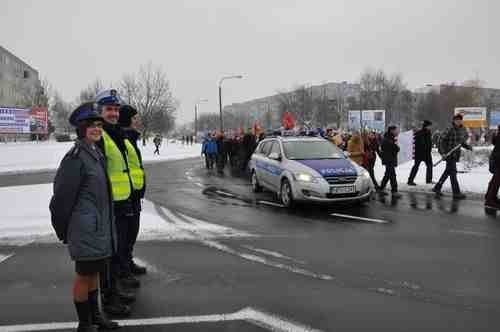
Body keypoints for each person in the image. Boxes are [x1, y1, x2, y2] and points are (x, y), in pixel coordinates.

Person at [50, 102, 119, 331]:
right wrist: (63, 229)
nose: (97, 129)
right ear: (81, 130)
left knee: (93, 274)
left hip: (97, 229)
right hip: (84, 229)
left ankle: (95, 316)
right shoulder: (76, 158)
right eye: (91, 126)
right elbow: (61, 199)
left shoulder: (96, 154)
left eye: (99, 125)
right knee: (83, 276)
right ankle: (84, 323)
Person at [94, 89, 137, 317]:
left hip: (121, 202)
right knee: (108, 254)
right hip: (108, 204)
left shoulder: (115, 132)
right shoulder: (100, 134)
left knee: (116, 251)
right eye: (109, 109)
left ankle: (113, 292)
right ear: (99, 112)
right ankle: (109, 299)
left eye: (116, 109)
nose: (114, 113)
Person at [119, 104, 147, 276]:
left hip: (134, 194)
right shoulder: (124, 139)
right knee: (125, 235)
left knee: (132, 233)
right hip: (126, 195)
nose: (138, 121)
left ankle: (127, 262)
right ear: (127, 120)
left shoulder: (131, 138)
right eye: (135, 118)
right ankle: (123, 270)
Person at [433, 114, 471, 199]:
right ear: (454, 121)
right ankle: (456, 192)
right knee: (453, 173)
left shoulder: (462, 129)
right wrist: (442, 153)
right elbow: (440, 141)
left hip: (456, 154)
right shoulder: (449, 129)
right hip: (448, 154)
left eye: (460, 120)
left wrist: (468, 147)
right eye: (457, 120)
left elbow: (461, 142)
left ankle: (437, 187)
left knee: (448, 172)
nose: (458, 121)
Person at [407, 120, 433, 185]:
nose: (430, 127)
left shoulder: (428, 132)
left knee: (429, 166)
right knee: (416, 166)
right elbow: (417, 143)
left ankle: (429, 180)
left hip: (427, 153)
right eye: (429, 126)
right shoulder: (420, 133)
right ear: (426, 126)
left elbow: (429, 143)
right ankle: (410, 180)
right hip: (420, 153)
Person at [379, 125, 401, 198]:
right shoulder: (388, 139)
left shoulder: (390, 138)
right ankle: (394, 191)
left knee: (388, 175)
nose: (397, 131)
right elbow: (395, 148)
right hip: (389, 160)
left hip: (389, 159)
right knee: (392, 175)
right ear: (391, 130)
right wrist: (396, 147)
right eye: (395, 130)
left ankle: (381, 188)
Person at [485, 127, 500, 208]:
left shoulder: (498, 135)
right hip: (498, 160)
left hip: (496, 159)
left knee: (495, 180)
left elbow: (494, 141)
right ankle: (489, 200)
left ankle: (490, 197)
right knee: (496, 182)